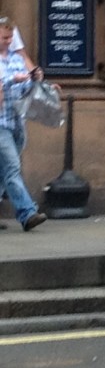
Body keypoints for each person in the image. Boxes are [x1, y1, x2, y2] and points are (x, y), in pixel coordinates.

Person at [0, 17, 47, 231]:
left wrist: (35, 80)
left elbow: (25, 90)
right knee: (12, 168)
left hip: (17, 121)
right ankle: (27, 213)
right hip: (0, 122)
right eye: (5, 37)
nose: (10, 41)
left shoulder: (16, 60)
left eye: (11, 37)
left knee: (4, 171)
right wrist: (12, 80)